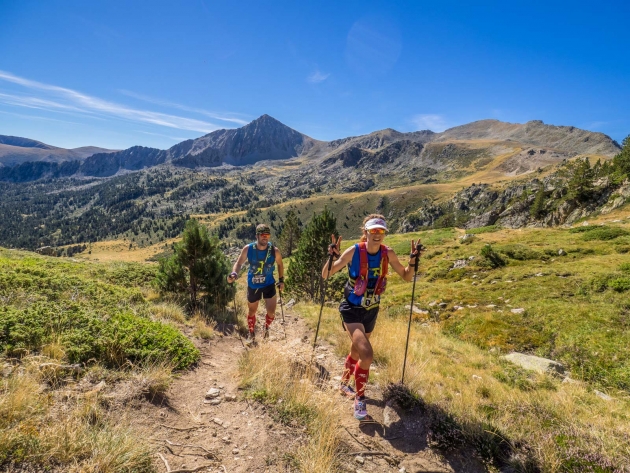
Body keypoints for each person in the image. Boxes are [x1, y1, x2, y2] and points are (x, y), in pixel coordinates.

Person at [322, 214, 422, 420]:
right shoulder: (354, 251)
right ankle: (360, 400)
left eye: (381, 231)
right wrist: (331, 256)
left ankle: (344, 383)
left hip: (371, 310)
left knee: (356, 351)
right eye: (373, 231)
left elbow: (406, 276)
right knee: (367, 354)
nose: (377, 235)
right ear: (365, 232)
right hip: (351, 309)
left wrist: (412, 262)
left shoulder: (388, 253)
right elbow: (326, 274)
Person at [227, 224, 285, 342]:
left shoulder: (274, 251)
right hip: (253, 285)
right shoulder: (248, 249)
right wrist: (234, 274)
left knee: (271, 312)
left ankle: (266, 328)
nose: (265, 237)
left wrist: (281, 280)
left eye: (267, 235)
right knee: (252, 311)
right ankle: (251, 331)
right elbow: (239, 263)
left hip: (269, 283)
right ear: (257, 236)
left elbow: (280, 264)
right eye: (263, 235)